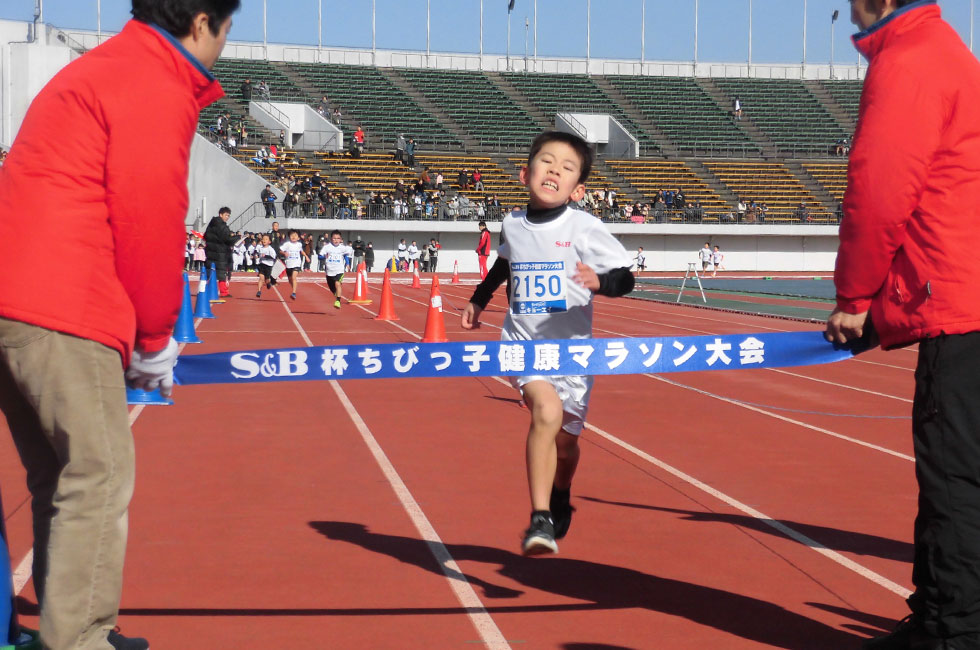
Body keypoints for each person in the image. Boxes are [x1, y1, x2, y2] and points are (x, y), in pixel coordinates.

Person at [0, 1, 235, 648]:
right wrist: (155, 340)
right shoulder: (152, 80)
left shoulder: (101, 68)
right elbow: (148, 216)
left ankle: (65, 629)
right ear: (201, 23)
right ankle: (79, 638)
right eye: (225, 30)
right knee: (98, 474)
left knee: (59, 475)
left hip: (17, 294)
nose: (222, 46)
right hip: (62, 302)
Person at [825, 1, 980, 648]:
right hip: (965, 288)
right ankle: (941, 617)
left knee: (953, 478)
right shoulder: (947, 51)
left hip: (957, 303)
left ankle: (952, 632)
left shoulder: (908, 60)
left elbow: (881, 187)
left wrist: (856, 295)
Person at [461, 131, 634, 556]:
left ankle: (560, 493)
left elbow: (625, 277)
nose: (555, 169)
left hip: (573, 353)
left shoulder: (585, 227)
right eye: (547, 161)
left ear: (578, 190)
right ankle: (540, 519)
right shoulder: (512, 224)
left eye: (567, 167)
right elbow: (505, 263)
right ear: (525, 174)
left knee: (567, 445)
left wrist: (602, 282)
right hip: (523, 344)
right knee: (546, 412)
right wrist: (479, 299)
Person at [204, 206, 236, 297]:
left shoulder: (211, 224)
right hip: (221, 252)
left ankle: (206, 290)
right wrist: (237, 238)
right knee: (222, 272)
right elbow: (227, 239)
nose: (227, 217)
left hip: (211, 251)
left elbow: (206, 236)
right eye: (226, 215)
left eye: (228, 216)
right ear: (220, 214)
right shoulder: (222, 226)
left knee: (211, 271)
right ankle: (224, 291)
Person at [320, 229, 353, 309]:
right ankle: (337, 294)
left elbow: (345, 256)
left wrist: (347, 264)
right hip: (329, 271)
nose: (336, 240)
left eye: (338, 238)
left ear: (341, 239)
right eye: (334, 238)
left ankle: (338, 301)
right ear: (331, 239)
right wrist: (324, 256)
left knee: (338, 283)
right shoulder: (327, 247)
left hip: (339, 270)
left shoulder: (343, 248)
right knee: (332, 289)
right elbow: (320, 256)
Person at [279, 229, 309, 300]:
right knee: (290, 280)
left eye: (295, 235)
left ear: (298, 237)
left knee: (293, 277)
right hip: (289, 264)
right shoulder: (287, 244)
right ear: (289, 236)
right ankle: (294, 289)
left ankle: (294, 293)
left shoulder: (299, 244)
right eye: (292, 235)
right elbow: (280, 250)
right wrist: (284, 253)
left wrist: (306, 256)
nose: (293, 237)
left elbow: (301, 251)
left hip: (297, 263)